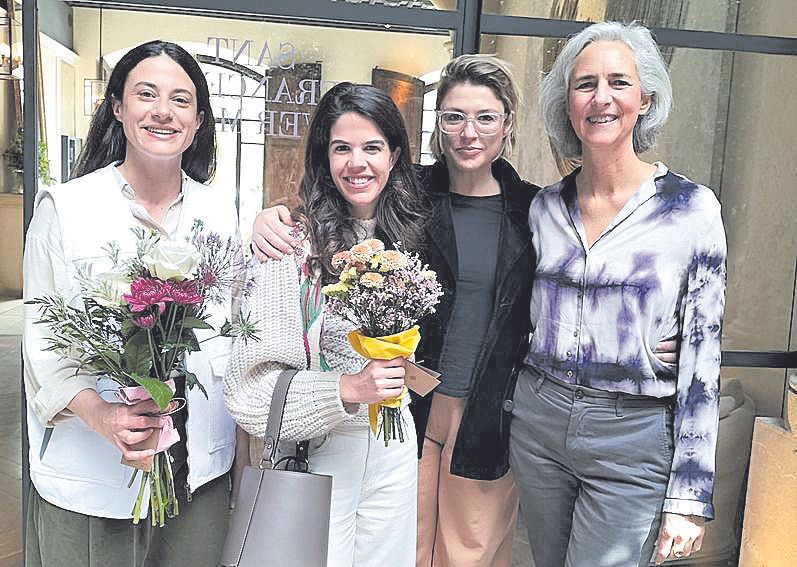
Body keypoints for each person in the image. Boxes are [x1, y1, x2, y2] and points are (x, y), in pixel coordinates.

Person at [252, 55, 678, 567]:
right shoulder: (406, 194)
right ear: (438, 126)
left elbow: (584, 280)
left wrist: (628, 342)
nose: (468, 133)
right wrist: (271, 216)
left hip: (488, 411)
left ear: (507, 124)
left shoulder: (538, 209)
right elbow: (342, 200)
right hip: (401, 406)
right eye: (454, 117)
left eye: (485, 117)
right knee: (394, 549)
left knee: (470, 554)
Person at [509, 21, 727, 567]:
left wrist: (689, 496)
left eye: (618, 82)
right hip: (539, 424)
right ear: (567, 103)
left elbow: (703, 361)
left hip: (632, 435)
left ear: (645, 99)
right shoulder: (544, 209)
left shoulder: (691, 210)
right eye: (585, 84)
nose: (601, 97)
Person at [23, 40, 240, 566]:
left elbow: (232, 334)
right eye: (146, 94)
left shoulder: (222, 214)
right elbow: (43, 348)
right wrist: (101, 415)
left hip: (199, 474)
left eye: (181, 100)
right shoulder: (67, 209)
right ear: (118, 107)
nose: (163, 111)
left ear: (198, 121)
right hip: (92, 474)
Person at [224, 82, 425, 567]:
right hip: (317, 450)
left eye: (372, 147)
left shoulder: (412, 232)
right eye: (342, 148)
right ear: (323, 158)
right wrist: (346, 390)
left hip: (395, 445)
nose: (358, 163)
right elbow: (249, 390)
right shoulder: (289, 245)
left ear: (395, 155)